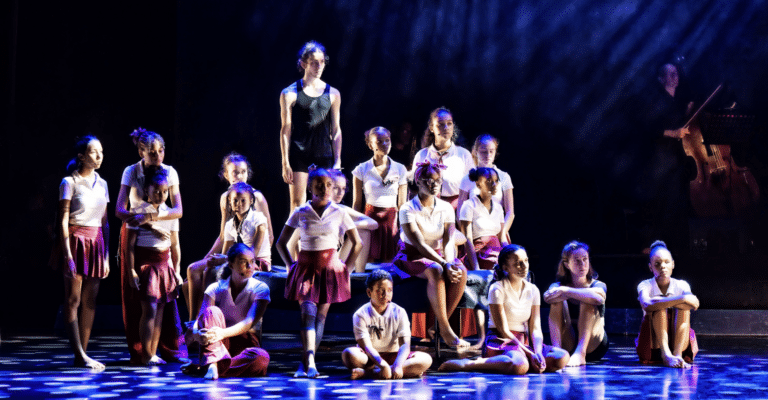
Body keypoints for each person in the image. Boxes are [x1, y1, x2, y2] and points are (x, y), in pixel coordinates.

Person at [276, 167, 363, 378]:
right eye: (319, 185)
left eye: (328, 185)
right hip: (306, 269)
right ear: (310, 187)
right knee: (308, 314)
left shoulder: (339, 212)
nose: (324, 189)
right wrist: (291, 265)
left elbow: (357, 243)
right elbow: (281, 243)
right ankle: (311, 362)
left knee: (320, 318)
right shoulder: (301, 211)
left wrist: (347, 267)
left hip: (330, 270)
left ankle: (305, 363)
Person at [439, 245, 569, 374]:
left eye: (526, 261)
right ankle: (472, 363)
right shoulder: (497, 289)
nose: (524, 266)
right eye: (518, 263)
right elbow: (503, 330)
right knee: (519, 365)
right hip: (501, 340)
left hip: (522, 341)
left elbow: (535, 327)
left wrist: (538, 352)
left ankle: (520, 362)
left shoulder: (533, 290)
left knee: (562, 357)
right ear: (505, 267)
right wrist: (530, 353)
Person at [115, 128, 186, 364]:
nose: (158, 156)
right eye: (152, 152)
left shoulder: (169, 172)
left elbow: (178, 211)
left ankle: (159, 350)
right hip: (138, 238)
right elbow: (120, 210)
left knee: (162, 306)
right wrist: (144, 220)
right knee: (140, 303)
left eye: (161, 151)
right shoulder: (131, 171)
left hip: (161, 242)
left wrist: (153, 219)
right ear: (141, 152)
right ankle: (142, 352)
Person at [184, 153, 272, 322]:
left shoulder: (256, 198)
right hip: (235, 254)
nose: (240, 176)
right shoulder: (226, 199)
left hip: (252, 257)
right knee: (192, 273)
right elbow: (224, 236)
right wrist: (208, 258)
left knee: (208, 272)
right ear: (226, 175)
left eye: (243, 172)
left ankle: (207, 319)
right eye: (235, 172)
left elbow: (269, 235)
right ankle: (196, 322)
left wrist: (229, 259)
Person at [393, 161, 469, 349]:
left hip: (437, 255)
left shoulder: (446, 207)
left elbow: (448, 240)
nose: (433, 184)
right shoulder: (407, 208)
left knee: (461, 271)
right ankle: (445, 329)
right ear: (418, 181)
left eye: (437, 180)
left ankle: (434, 326)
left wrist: (450, 262)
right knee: (435, 270)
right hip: (412, 256)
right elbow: (419, 244)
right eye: (428, 180)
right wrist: (444, 264)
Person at [55, 136, 109, 370]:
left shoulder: (102, 183)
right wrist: (67, 254)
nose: (99, 156)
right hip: (76, 240)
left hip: (96, 242)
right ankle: (79, 353)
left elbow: (105, 222)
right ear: (81, 156)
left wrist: (106, 256)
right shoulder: (69, 182)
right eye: (94, 152)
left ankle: (83, 355)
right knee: (73, 299)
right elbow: (63, 220)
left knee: (90, 300)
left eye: (101, 152)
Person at [182, 243, 271, 379]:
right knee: (212, 311)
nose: (250, 266)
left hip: (243, 343)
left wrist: (222, 333)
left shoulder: (260, 288)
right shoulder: (215, 288)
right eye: (243, 262)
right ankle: (213, 365)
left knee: (261, 358)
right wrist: (196, 334)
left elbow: (249, 322)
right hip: (216, 343)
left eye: (252, 261)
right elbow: (200, 318)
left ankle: (209, 367)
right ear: (231, 265)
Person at [125, 168, 182, 365]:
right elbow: (129, 245)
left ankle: (153, 352)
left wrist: (177, 269)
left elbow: (175, 245)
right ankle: (146, 354)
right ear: (147, 191)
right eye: (156, 191)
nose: (161, 195)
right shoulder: (139, 211)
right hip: (147, 263)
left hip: (164, 264)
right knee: (149, 309)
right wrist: (131, 270)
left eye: (165, 191)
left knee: (159, 311)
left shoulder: (171, 213)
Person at [280, 41, 342, 212]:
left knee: (325, 204)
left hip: (324, 154)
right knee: (297, 204)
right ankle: (295, 232)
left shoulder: (333, 93)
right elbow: (285, 129)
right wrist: (285, 162)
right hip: (299, 154)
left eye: (321, 62)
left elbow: (336, 130)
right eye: (314, 62)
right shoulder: (289, 93)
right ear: (303, 64)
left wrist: (337, 160)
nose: (319, 66)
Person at [342, 269, 432, 379]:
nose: (386, 295)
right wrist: (382, 364)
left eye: (389, 290)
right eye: (380, 291)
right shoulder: (360, 314)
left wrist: (398, 365)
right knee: (349, 354)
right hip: (370, 357)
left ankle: (371, 373)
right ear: (369, 292)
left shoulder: (399, 312)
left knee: (426, 359)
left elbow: (405, 344)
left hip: (395, 356)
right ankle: (393, 370)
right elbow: (367, 346)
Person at [458, 167, 507, 348]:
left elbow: (502, 237)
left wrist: (509, 255)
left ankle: (504, 332)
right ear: (478, 184)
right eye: (489, 181)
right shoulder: (469, 205)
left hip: (496, 252)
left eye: (496, 181)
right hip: (478, 252)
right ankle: (481, 337)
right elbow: (468, 239)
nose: (493, 185)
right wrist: (476, 266)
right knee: (480, 284)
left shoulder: (498, 207)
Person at [543, 241, 608, 366]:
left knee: (587, 298)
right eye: (577, 260)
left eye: (585, 259)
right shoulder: (558, 286)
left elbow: (598, 298)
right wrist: (563, 291)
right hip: (569, 341)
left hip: (594, 345)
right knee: (556, 301)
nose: (582, 264)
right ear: (567, 264)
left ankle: (580, 354)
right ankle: (557, 352)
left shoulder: (598, 284)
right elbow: (547, 297)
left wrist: (566, 291)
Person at [636, 240, 699, 368]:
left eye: (666, 262)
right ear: (650, 267)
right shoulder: (645, 284)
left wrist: (674, 301)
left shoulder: (681, 284)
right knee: (658, 307)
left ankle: (677, 355)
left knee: (683, 310)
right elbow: (646, 304)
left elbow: (694, 303)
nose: (663, 267)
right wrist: (682, 299)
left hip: (679, 340)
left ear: (673, 264)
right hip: (654, 344)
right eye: (657, 264)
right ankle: (666, 355)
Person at [352, 127, 408, 264]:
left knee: (390, 261)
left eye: (387, 140)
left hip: (391, 220)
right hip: (370, 218)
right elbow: (357, 203)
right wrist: (354, 228)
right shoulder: (361, 169)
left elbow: (402, 204)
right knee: (369, 259)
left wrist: (404, 228)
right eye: (379, 141)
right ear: (370, 145)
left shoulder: (400, 168)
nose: (384, 144)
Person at [411, 108, 475, 209]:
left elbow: (472, 188)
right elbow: (415, 187)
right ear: (431, 127)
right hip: (427, 209)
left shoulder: (463, 155)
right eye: (441, 124)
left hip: (457, 209)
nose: (446, 128)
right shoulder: (422, 155)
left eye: (449, 123)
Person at [456, 134, 515, 241]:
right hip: (475, 234)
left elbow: (510, 212)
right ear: (476, 152)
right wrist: (470, 235)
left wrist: (501, 234)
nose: (488, 155)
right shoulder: (467, 179)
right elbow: (460, 211)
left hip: (498, 233)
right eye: (483, 151)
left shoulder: (504, 177)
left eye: (491, 151)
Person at [329, 169, 378, 273]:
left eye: (343, 189)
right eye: (335, 188)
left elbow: (374, 224)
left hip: (335, 261)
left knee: (363, 232)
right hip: (317, 264)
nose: (340, 193)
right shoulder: (311, 209)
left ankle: (359, 275)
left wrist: (345, 226)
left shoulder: (341, 208)